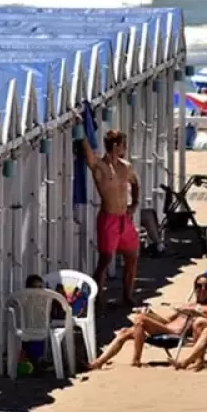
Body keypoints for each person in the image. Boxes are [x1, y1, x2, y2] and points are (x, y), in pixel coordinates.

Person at [87, 272, 207, 369]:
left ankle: (136, 360)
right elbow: (165, 320)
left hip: (176, 334)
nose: (202, 290)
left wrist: (198, 314)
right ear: (194, 288)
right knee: (125, 332)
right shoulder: (186, 304)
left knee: (140, 320)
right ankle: (98, 362)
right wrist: (152, 314)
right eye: (199, 286)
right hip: (164, 328)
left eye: (206, 287)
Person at [80, 127, 141, 306]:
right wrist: (81, 130)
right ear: (116, 146)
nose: (126, 148)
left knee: (132, 256)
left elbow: (135, 184)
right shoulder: (100, 167)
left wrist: (135, 203)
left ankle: (127, 296)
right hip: (109, 218)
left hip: (124, 218)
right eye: (124, 145)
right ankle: (98, 300)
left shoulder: (126, 166)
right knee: (105, 260)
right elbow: (88, 153)